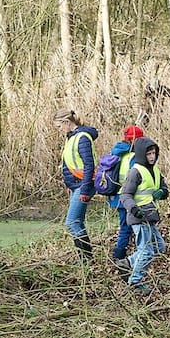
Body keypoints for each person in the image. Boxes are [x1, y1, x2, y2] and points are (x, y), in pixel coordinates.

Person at [119, 136, 169, 295]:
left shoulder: (155, 170)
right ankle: (135, 281)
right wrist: (134, 209)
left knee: (159, 247)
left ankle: (127, 263)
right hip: (139, 218)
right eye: (149, 154)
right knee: (146, 251)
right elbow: (125, 195)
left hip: (151, 216)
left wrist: (162, 192)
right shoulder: (135, 172)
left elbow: (164, 188)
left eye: (154, 153)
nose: (152, 157)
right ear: (142, 154)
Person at [54, 109, 98, 261]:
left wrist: (85, 190)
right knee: (78, 222)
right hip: (75, 185)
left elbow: (88, 166)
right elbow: (70, 163)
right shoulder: (70, 137)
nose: (59, 131)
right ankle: (87, 261)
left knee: (72, 223)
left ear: (67, 122)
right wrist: (69, 184)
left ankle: (86, 259)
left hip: (83, 185)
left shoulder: (82, 138)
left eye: (59, 127)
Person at [107, 125, 145, 270]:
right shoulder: (134, 156)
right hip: (127, 198)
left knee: (125, 226)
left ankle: (124, 254)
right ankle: (119, 255)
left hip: (116, 196)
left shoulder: (117, 152)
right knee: (126, 227)